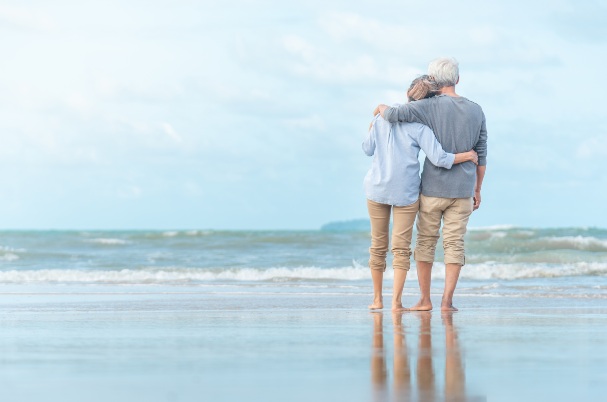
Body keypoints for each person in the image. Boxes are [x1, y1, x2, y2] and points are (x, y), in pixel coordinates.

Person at [374, 57, 487, 311]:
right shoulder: (476, 110)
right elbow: (482, 153)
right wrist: (478, 189)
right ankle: (447, 302)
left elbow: (392, 115)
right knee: (455, 243)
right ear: (457, 79)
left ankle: (425, 300)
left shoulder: (426, 106)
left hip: (433, 188)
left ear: (433, 81)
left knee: (426, 242)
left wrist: (380, 107)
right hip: (463, 189)